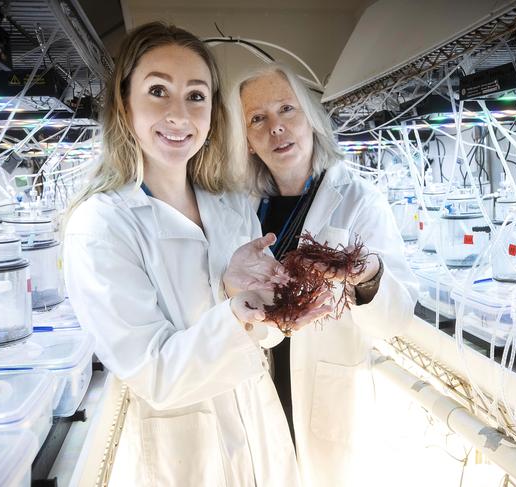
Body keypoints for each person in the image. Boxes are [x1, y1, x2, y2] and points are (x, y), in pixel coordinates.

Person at [63, 24, 329, 486]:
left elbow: (260, 338)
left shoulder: (230, 206)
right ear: (125, 105)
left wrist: (273, 312)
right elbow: (156, 374)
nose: (178, 114)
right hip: (181, 451)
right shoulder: (102, 225)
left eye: (196, 96)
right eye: (158, 91)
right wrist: (237, 311)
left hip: (259, 430)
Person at [232, 63, 419, 486]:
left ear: (311, 119)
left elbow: (397, 318)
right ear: (246, 140)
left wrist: (366, 277)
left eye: (286, 109)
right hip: (259, 384)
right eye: (257, 118)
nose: (276, 128)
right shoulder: (241, 208)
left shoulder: (359, 200)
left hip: (328, 390)